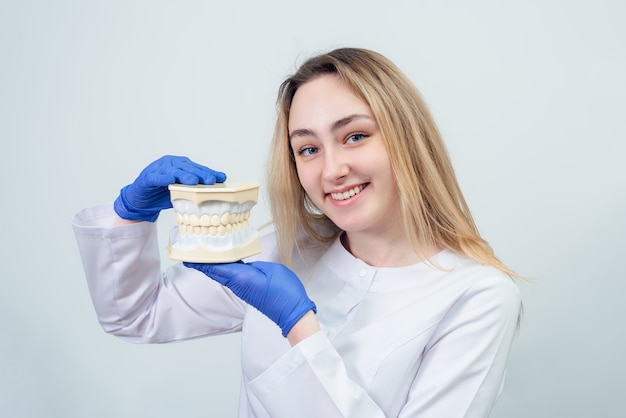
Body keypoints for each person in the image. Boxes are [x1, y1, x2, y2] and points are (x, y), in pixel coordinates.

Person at [72, 47, 522, 418]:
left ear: (406, 137)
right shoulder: (282, 254)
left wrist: (299, 327)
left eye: (354, 136)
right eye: (308, 148)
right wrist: (129, 217)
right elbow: (136, 316)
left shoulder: (478, 297)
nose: (332, 170)